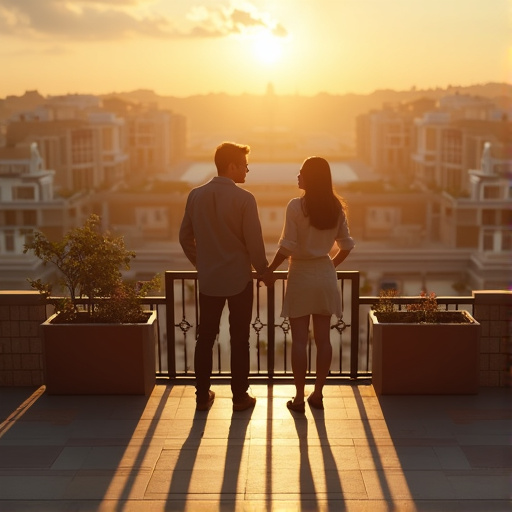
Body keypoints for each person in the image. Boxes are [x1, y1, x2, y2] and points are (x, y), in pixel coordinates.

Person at [179, 142, 268, 412]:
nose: (247, 170)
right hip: (239, 279)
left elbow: (185, 237)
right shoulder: (244, 199)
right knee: (240, 339)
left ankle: (201, 397)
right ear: (232, 166)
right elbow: (254, 244)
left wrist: (202, 263)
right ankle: (239, 397)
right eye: (244, 165)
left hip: (209, 281)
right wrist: (264, 271)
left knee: (205, 338)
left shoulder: (195, 195)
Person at [261, 156, 354, 412]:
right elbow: (346, 245)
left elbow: (287, 245)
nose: (297, 177)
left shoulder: (295, 207)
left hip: (300, 274)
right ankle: (318, 394)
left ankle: (299, 398)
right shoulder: (336, 208)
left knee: (300, 341)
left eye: (301, 173)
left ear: (309, 177)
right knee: (324, 340)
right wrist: (329, 267)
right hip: (324, 273)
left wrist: (269, 270)